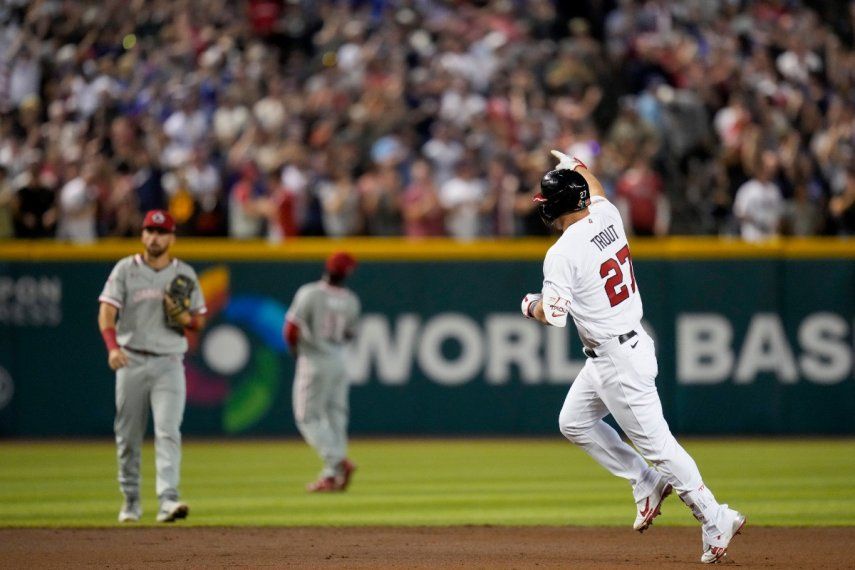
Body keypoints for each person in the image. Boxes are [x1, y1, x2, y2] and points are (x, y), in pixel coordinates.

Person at [520, 151, 745, 564]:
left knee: (661, 448)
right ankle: (644, 481)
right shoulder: (606, 216)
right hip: (623, 347)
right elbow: (597, 189)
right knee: (573, 422)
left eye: (545, 200)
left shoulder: (562, 252)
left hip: (617, 359)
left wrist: (528, 304)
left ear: (555, 205)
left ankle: (716, 517)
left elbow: (552, 316)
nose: (543, 206)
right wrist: (576, 163)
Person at [97, 209, 207, 523]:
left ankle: (167, 500)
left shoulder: (184, 273)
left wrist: (183, 318)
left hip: (169, 361)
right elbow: (106, 313)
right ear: (143, 234)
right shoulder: (125, 270)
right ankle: (131, 500)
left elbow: (197, 320)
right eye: (150, 231)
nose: (155, 237)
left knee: (168, 430)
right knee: (128, 435)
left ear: (171, 237)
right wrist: (112, 347)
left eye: (161, 232)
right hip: (130, 358)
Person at [284, 252, 361, 492]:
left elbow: (290, 330)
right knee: (336, 416)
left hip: (314, 360)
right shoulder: (351, 300)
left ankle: (337, 461)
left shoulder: (310, 293)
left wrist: (296, 352)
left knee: (307, 417)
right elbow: (350, 334)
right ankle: (331, 475)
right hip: (338, 361)